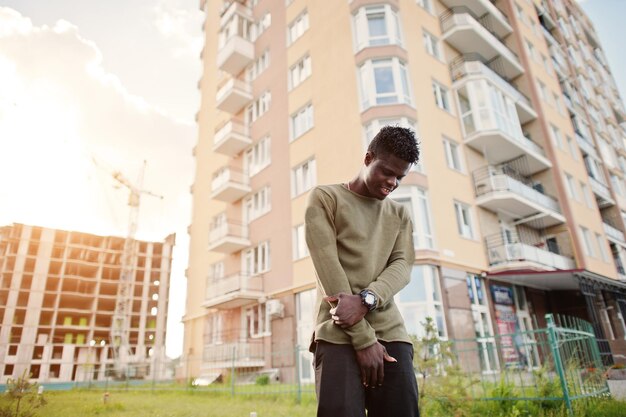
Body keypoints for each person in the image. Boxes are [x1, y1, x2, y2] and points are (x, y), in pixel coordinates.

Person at [305, 126, 421, 417]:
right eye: (387, 172)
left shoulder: (400, 214)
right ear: (368, 158)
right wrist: (364, 339)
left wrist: (369, 297)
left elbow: (403, 265)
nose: (392, 183)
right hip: (338, 334)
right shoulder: (325, 198)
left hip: (392, 334)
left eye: (400, 177)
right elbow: (327, 267)